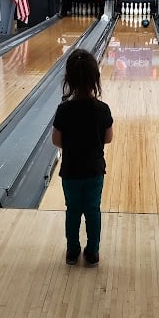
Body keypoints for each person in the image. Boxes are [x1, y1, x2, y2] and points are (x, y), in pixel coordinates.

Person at [51, 48, 113, 266]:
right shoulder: (103, 109)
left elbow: (56, 141)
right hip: (95, 171)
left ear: (69, 79)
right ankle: (93, 252)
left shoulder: (63, 110)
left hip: (71, 172)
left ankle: (72, 251)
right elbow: (108, 138)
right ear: (96, 78)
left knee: (73, 211)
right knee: (93, 210)